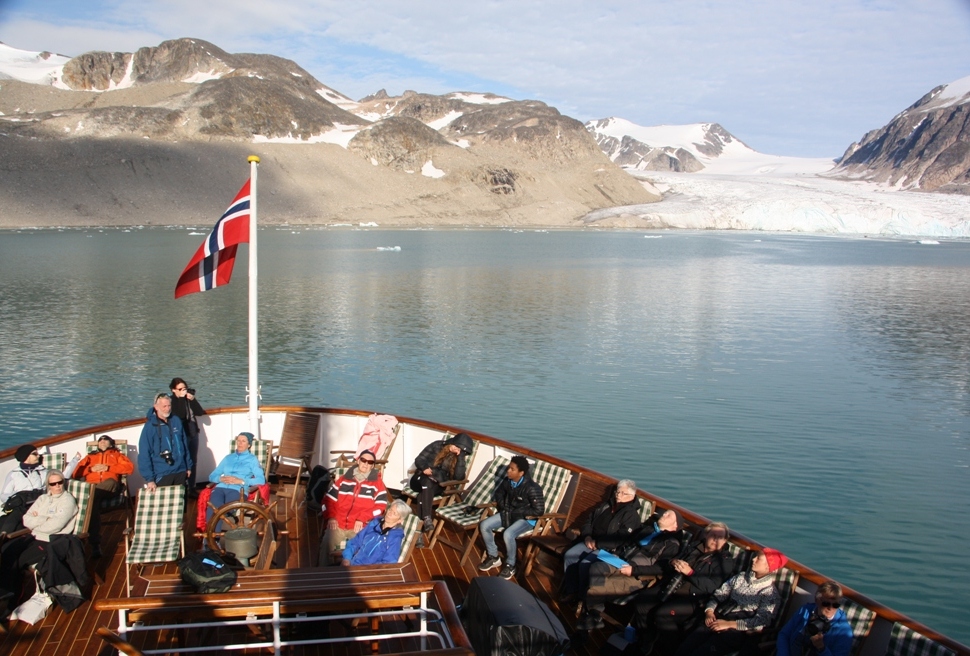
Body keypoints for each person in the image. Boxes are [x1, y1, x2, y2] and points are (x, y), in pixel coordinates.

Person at [633, 522, 738, 654]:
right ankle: (648, 637)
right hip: (672, 585)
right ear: (706, 535)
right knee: (642, 602)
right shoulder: (694, 546)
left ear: (725, 540)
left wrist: (690, 573)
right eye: (713, 535)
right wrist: (673, 562)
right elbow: (675, 559)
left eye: (720, 537)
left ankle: (671, 649)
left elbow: (712, 587)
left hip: (694, 597)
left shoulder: (725, 561)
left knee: (663, 615)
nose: (715, 540)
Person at [577, 508, 684, 631]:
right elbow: (627, 543)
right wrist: (615, 554)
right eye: (665, 512)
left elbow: (660, 568)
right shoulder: (648, 529)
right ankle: (595, 615)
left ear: (675, 525)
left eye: (669, 515)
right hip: (620, 561)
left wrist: (633, 570)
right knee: (596, 567)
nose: (664, 514)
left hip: (636, 576)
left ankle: (588, 622)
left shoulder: (671, 544)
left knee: (598, 588)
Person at [674, 548, 788, 656]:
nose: (753, 559)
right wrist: (709, 611)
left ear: (768, 567)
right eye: (755, 557)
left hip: (735, 632)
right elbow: (719, 594)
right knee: (684, 648)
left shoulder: (770, 594)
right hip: (717, 618)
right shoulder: (741, 577)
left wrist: (728, 624)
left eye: (758, 559)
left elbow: (760, 621)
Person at [0, 470, 78, 599]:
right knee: (6, 550)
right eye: (53, 484)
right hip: (33, 536)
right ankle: (6, 590)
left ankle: (13, 596)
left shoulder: (67, 501)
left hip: (50, 540)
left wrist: (37, 520)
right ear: (48, 485)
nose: (57, 486)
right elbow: (26, 519)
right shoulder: (42, 499)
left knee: (19, 560)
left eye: (60, 482)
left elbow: (55, 526)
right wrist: (45, 518)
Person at [561, 479, 642, 597]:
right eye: (617, 492)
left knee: (585, 563)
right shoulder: (606, 505)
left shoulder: (631, 515)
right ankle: (571, 590)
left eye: (623, 493)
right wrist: (587, 536)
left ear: (632, 496)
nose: (619, 495)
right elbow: (588, 521)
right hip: (590, 541)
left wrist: (598, 543)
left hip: (608, 549)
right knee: (570, 555)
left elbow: (620, 538)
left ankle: (583, 596)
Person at [477, 455, 545, 581]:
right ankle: (493, 556)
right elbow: (499, 493)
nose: (508, 471)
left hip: (526, 519)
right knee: (484, 525)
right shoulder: (508, 481)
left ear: (521, 473)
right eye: (509, 468)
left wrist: (518, 512)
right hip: (509, 513)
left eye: (512, 469)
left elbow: (539, 510)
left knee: (508, 534)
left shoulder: (532, 488)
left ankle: (510, 564)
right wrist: (504, 507)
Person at [318, 450, 389, 565]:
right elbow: (326, 502)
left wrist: (363, 518)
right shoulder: (344, 479)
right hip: (338, 523)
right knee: (326, 545)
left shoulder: (377, 484)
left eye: (370, 462)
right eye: (363, 460)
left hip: (359, 527)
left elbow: (380, 508)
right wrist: (331, 517)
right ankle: (322, 576)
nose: (366, 464)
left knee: (363, 551)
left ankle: (351, 577)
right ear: (358, 460)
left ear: (373, 466)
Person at [71, 435, 134, 557]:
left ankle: (88, 539)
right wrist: (90, 469)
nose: (102, 441)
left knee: (90, 498)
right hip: (93, 488)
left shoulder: (117, 455)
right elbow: (75, 473)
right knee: (92, 500)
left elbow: (129, 468)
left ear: (111, 444)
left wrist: (108, 467)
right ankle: (95, 543)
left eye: (105, 440)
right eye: (100, 440)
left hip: (110, 486)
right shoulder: (90, 457)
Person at [409, 432, 475, 533]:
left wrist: (461, 458)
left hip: (438, 486)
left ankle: (420, 529)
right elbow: (419, 459)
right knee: (427, 482)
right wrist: (424, 468)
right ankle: (426, 519)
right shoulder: (437, 445)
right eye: (456, 446)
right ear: (452, 442)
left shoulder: (458, 457)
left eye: (460, 449)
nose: (456, 449)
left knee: (424, 493)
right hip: (419, 480)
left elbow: (459, 477)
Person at [206, 432, 266, 530]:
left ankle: (212, 539)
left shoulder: (252, 460)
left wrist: (241, 481)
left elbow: (261, 480)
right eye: (238, 440)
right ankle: (210, 540)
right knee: (212, 509)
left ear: (249, 445)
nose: (240, 443)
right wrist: (219, 479)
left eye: (243, 441)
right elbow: (212, 476)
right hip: (220, 487)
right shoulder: (228, 458)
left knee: (221, 510)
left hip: (238, 490)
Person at [777, 581, 853, 656]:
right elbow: (784, 634)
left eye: (835, 605)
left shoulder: (844, 631)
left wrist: (821, 648)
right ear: (817, 600)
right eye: (826, 603)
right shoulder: (805, 611)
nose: (830, 608)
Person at [138, 392, 192, 491]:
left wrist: (188, 466)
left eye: (169, 405)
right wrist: (149, 479)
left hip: (180, 469)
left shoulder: (176, 420)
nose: (167, 409)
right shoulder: (150, 426)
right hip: (162, 472)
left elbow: (184, 444)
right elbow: (144, 453)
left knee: (181, 502)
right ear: (156, 407)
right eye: (164, 406)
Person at [341, 499, 411, 566]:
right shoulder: (374, 524)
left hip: (370, 572)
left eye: (394, 513)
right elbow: (355, 542)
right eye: (390, 510)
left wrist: (367, 570)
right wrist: (347, 558)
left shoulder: (395, 537)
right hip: (353, 565)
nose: (389, 514)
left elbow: (389, 562)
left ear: (399, 520)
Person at [0, 445, 47, 535]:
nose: (38, 456)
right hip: (20, 505)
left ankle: (3, 535)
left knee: (16, 515)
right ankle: (5, 539)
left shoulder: (43, 472)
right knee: (5, 520)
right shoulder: (14, 474)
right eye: (35, 454)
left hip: (36, 505)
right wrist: (16, 497)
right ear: (26, 456)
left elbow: (61, 478)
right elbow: (4, 495)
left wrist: (75, 461)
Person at [170, 378, 206, 493]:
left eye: (184, 388)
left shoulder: (188, 399)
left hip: (193, 432)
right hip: (182, 435)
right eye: (180, 389)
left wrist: (193, 400)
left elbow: (200, 412)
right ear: (173, 390)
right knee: (183, 460)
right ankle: (183, 487)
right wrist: (181, 399)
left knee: (193, 460)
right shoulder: (172, 401)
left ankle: (192, 486)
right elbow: (180, 415)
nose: (183, 391)